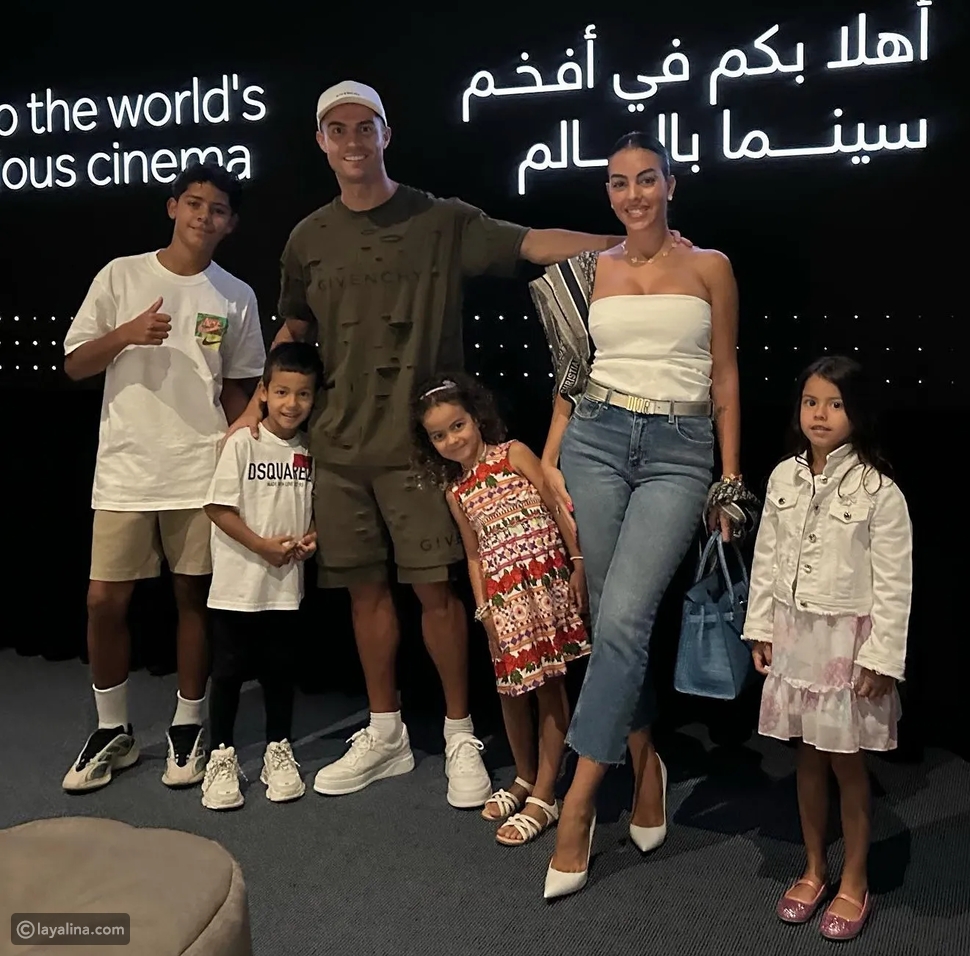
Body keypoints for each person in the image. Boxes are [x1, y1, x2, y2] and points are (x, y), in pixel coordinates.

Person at [228, 81, 688, 808]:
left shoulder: (439, 219)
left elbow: (530, 242)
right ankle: (384, 733)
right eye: (337, 129)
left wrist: (629, 244)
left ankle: (458, 732)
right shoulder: (307, 237)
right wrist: (258, 405)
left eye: (365, 127)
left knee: (436, 594)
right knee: (364, 593)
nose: (352, 141)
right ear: (321, 142)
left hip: (420, 445)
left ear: (386, 134)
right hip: (339, 447)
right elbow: (296, 330)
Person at [529, 132, 747, 898]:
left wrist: (728, 481)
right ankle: (645, 760)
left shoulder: (711, 266)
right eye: (620, 183)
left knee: (625, 616)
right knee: (605, 617)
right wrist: (549, 459)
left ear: (671, 184)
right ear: (609, 193)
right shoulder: (595, 269)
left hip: (679, 450)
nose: (634, 195)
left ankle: (579, 802)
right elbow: (570, 375)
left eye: (647, 179)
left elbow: (725, 375)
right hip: (596, 439)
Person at [61, 162, 266, 793]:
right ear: (173, 207)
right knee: (103, 600)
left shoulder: (235, 294)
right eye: (195, 203)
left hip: (199, 468)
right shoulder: (121, 275)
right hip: (126, 466)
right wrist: (126, 335)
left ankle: (188, 722)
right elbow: (74, 364)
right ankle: (111, 729)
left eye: (218, 209)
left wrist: (250, 444)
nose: (205, 216)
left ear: (231, 224)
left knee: (192, 598)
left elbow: (239, 388)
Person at [744, 356, 912, 941]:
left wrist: (882, 658)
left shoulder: (879, 490)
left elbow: (894, 584)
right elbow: (766, 559)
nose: (820, 414)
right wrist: (761, 628)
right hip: (796, 639)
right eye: (811, 402)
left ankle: (854, 880)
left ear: (857, 412)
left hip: (846, 646)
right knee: (806, 757)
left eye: (835, 404)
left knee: (848, 763)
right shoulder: (783, 478)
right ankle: (814, 868)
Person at [410, 373, 591, 845]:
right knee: (511, 690)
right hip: (504, 599)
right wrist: (484, 609)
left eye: (458, 426)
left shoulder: (514, 453)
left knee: (550, 686)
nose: (452, 439)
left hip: (544, 586)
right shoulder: (456, 492)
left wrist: (577, 562)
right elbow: (473, 555)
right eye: (439, 435)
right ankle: (525, 778)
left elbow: (556, 504)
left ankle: (546, 794)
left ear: (476, 418)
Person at [200, 342, 323, 811]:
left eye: (303, 394)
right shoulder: (242, 443)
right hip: (236, 587)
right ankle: (221, 755)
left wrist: (311, 538)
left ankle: (278, 749)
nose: (292, 403)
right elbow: (217, 507)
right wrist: (260, 546)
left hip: (285, 588)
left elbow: (313, 512)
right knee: (228, 672)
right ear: (264, 392)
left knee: (279, 670)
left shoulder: (310, 449)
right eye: (283, 392)